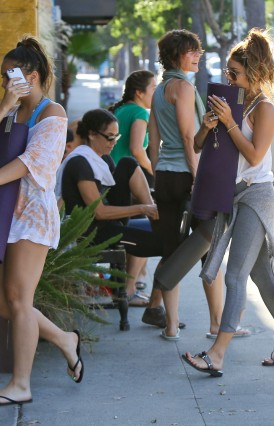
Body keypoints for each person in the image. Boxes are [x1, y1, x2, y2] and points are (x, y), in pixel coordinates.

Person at [182, 28, 274, 376]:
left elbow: (253, 156)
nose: (228, 78)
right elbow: (202, 147)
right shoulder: (231, 103)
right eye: (226, 72)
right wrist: (208, 125)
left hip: (257, 196)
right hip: (231, 196)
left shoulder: (264, 108)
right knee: (264, 278)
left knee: (234, 275)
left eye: (234, 73)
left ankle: (217, 354)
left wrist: (232, 123)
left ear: (254, 73)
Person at [0, 36, 83, 406]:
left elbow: (36, 163)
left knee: (19, 299)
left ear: (31, 75)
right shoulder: (12, 108)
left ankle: (20, 385)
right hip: (2, 213)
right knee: (3, 304)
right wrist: (5, 105)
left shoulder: (53, 114)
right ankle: (66, 340)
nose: (4, 82)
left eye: (10, 75)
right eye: (3, 76)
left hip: (31, 216)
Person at [146, 29, 225, 339]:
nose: (198, 55)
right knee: (209, 249)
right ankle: (217, 325)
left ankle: (170, 326)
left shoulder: (159, 88)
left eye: (199, 51)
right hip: (187, 177)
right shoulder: (184, 88)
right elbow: (189, 138)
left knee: (171, 251)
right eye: (192, 51)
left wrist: (156, 173)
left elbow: (153, 140)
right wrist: (197, 178)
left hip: (165, 176)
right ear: (177, 55)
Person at [56, 108, 162, 306]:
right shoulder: (80, 162)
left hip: (105, 225)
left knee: (128, 163)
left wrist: (148, 208)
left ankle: (155, 216)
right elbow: (100, 212)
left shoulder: (101, 158)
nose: (114, 143)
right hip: (88, 232)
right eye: (110, 137)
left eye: (117, 137)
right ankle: (144, 300)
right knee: (166, 245)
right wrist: (142, 209)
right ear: (92, 134)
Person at [107, 70, 157, 295]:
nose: (155, 93)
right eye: (153, 88)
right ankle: (129, 288)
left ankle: (130, 283)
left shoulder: (120, 109)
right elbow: (138, 149)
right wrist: (154, 170)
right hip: (128, 180)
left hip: (111, 179)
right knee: (142, 234)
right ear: (139, 92)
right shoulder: (139, 112)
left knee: (130, 233)